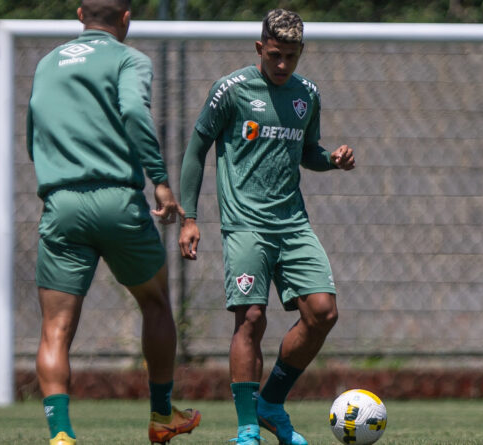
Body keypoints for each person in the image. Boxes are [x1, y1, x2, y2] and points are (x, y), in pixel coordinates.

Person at [179, 8, 356, 445]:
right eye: (275, 55)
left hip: (293, 224)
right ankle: (245, 428)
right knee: (251, 318)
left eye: (290, 57)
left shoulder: (307, 94)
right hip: (245, 225)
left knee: (323, 312)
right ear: (260, 48)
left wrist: (331, 160)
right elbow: (197, 146)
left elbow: (308, 151)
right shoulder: (232, 90)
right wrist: (188, 217)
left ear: (301, 53)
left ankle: (271, 404)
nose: (282, 65)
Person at [26, 1, 200, 444]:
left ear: (80, 13)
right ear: (127, 18)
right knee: (156, 302)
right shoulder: (129, 59)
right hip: (117, 200)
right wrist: (160, 182)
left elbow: (34, 132)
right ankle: (162, 416)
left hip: (61, 202)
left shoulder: (48, 63)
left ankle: (61, 434)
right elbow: (135, 112)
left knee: (55, 328)